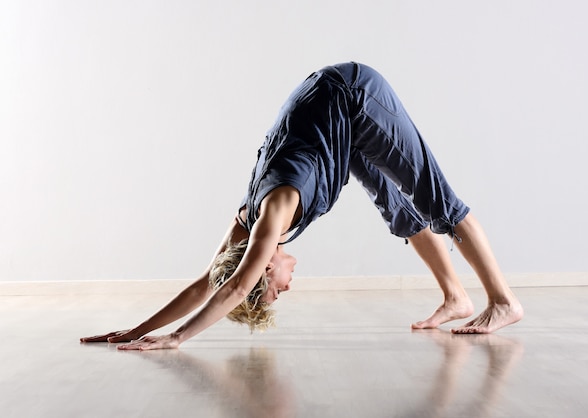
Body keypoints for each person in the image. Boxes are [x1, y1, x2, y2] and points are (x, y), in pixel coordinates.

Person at [81, 62, 523, 351]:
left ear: (263, 269)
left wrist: (177, 338)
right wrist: (137, 329)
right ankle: (456, 295)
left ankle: (503, 301)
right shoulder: (246, 222)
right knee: (394, 206)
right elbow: (208, 282)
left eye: (273, 290)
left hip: (353, 98)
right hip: (331, 121)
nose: (286, 290)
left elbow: (234, 287)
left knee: (436, 200)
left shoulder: (274, 211)